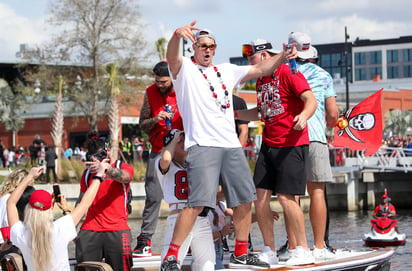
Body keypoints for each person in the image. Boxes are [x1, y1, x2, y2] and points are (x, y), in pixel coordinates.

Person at [161, 20, 297, 270]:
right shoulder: (185, 71)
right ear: (194, 48)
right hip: (202, 145)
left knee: (245, 200)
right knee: (197, 204)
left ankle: (241, 253)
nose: (207, 50)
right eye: (203, 46)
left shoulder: (226, 70)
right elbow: (171, 57)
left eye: (211, 46)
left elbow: (262, 69)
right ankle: (171, 256)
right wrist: (175, 36)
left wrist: (282, 56)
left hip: (231, 146)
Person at [236, 38, 317, 266]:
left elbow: (310, 99)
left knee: (285, 197)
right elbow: (261, 112)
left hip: (292, 142)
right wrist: (233, 115)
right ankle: (269, 249)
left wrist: (304, 115)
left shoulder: (287, 71)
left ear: (264, 56)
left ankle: (303, 248)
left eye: (252, 58)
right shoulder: (261, 79)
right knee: (259, 198)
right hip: (269, 144)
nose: (250, 63)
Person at [277, 32, 339, 262]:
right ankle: (320, 246)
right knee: (317, 192)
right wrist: (329, 122)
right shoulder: (324, 75)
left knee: (291, 195)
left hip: (289, 138)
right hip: (315, 137)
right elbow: (332, 115)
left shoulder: (282, 72)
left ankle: (294, 247)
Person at [7, 166, 102, 271]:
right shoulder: (60, 228)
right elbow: (85, 203)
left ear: (28, 209)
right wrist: (98, 176)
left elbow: (10, 203)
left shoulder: (21, 234)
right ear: (49, 210)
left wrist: (29, 177)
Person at [133, 61, 184, 257]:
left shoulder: (182, 89)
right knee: (153, 196)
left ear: (171, 78)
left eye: (163, 81)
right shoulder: (150, 92)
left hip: (181, 149)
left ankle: (196, 238)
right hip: (157, 149)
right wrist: (156, 119)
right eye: (157, 81)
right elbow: (142, 124)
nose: (160, 85)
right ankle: (145, 240)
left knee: (188, 196)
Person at [75, 132, 134, 271]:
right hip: (90, 228)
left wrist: (106, 170)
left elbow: (125, 177)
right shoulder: (88, 174)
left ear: (107, 152)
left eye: (99, 157)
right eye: (93, 158)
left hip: (117, 228)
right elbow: (81, 202)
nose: (96, 161)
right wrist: (72, 227)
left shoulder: (122, 166)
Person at [157, 129, 215, 270]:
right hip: (179, 215)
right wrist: (174, 139)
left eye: (185, 140)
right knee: (170, 264)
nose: (184, 143)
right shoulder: (163, 162)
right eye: (180, 141)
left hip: (201, 217)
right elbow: (166, 159)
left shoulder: (196, 164)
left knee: (207, 264)